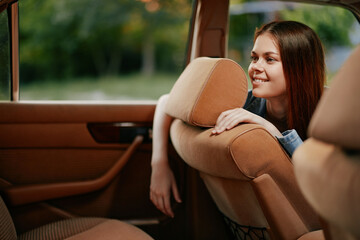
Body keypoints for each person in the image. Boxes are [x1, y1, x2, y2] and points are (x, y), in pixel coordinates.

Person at [149, 20, 325, 218]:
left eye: (270, 59)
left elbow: (322, 184)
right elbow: (166, 102)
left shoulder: (329, 114)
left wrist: (269, 130)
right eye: (254, 57)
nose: (255, 67)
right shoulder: (246, 101)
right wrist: (159, 165)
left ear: (299, 67)